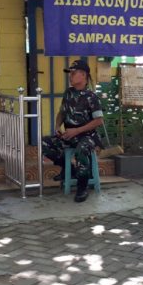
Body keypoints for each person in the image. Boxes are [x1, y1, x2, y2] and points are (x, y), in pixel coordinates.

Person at [41, 59, 104, 203]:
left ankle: (82, 187)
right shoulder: (68, 93)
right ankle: (69, 169)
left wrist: (77, 131)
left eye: (73, 73)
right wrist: (57, 127)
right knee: (44, 143)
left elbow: (99, 120)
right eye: (70, 74)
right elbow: (61, 113)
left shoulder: (91, 97)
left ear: (83, 75)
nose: (70, 76)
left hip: (87, 136)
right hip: (69, 135)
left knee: (82, 150)